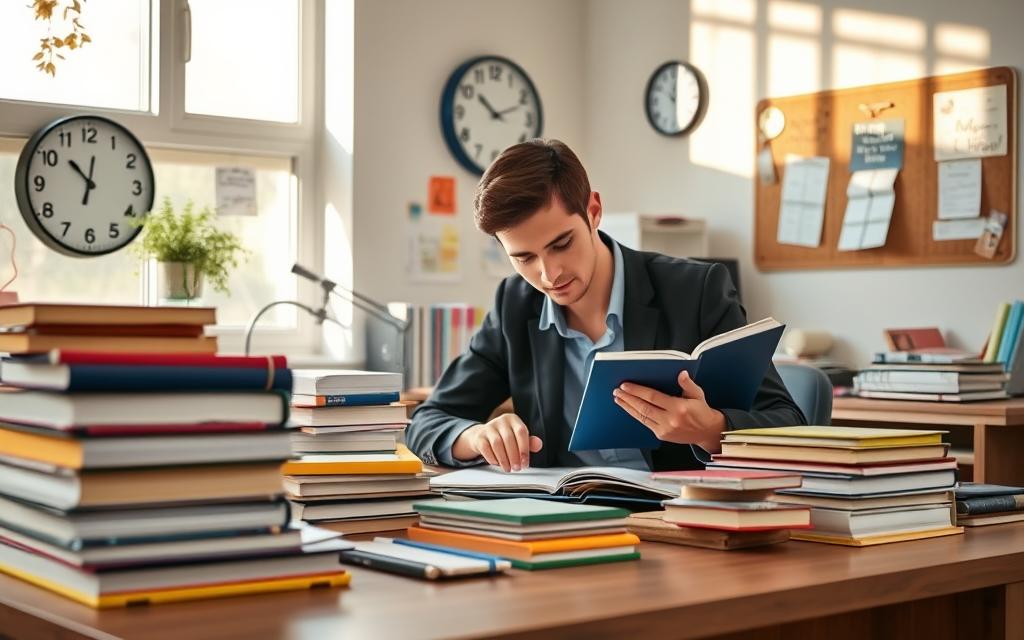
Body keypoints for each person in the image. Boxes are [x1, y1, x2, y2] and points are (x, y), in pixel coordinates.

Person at [405, 139, 805, 472]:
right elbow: (426, 421)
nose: (549, 274)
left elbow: (789, 423)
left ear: (594, 211)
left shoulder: (696, 290)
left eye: (562, 244)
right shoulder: (515, 304)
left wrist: (712, 429)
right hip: (566, 521)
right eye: (523, 257)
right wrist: (474, 436)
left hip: (678, 523)